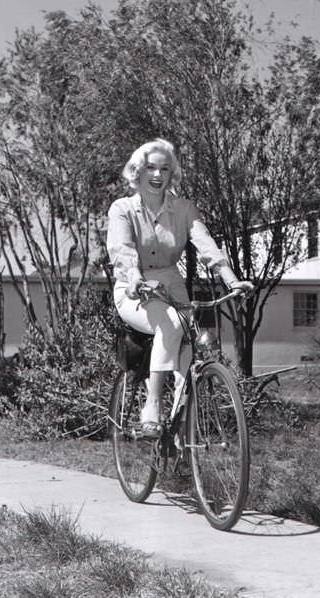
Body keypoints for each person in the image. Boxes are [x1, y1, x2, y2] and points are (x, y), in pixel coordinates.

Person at [106, 138, 252, 438]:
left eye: (164, 169)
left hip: (172, 284)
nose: (157, 175)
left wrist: (231, 279)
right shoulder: (122, 209)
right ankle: (153, 404)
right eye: (150, 168)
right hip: (134, 288)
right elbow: (121, 249)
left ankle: (182, 435)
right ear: (137, 171)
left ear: (172, 174)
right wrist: (134, 277)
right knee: (172, 324)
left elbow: (205, 243)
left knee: (188, 353)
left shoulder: (184, 209)